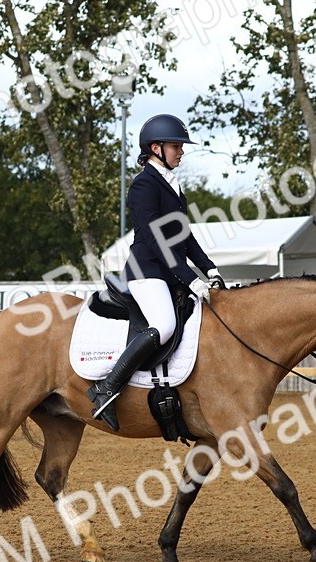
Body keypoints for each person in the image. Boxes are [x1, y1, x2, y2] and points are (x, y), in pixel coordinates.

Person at [87, 113, 224, 431]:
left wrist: (209, 268)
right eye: (176, 146)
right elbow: (155, 239)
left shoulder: (173, 187)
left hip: (169, 272)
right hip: (146, 271)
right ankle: (106, 389)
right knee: (163, 325)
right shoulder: (143, 186)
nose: (182, 152)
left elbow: (182, 236)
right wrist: (191, 279)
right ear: (155, 148)